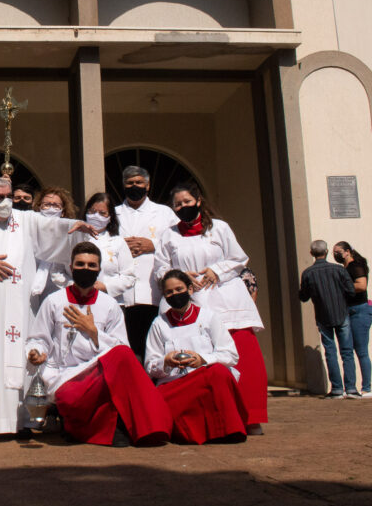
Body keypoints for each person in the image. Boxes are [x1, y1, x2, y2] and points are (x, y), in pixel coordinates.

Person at [0, 175, 97, 437]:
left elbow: (52, 228)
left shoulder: (26, 220)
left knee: (17, 353)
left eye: (9, 196)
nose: (6, 201)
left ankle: (19, 420)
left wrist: (74, 226)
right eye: (0, 197)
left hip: (19, 306)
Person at [27, 242, 172, 447]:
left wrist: (94, 333)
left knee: (124, 357)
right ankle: (99, 427)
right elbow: (38, 338)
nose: (85, 269)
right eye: (80, 264)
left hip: (98, 371)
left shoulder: (109, 304)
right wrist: (37, 352)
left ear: (99, 269)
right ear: (71, 267)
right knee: (69, 398)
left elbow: (122, 350)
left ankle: (145, 427)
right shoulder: (54, 301)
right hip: (66, 375)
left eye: (91, 265)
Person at [153, 182, 268, 434]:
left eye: (187, 202)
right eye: (178, 204)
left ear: (198, 201)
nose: (183, 207)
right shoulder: (168, 235)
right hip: (189, 298)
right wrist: (179, 275)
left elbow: (238, 258)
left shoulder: (220, 228)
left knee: (243, 356)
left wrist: (216, 270)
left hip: (225, 296)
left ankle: (251, 416)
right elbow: (160, 268)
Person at [145, 270, 248, 444]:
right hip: (176, 384)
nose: (175, 295)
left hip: (204, 377)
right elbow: (150, 366)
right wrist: (166, 362)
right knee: (156, 400)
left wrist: (203, 359)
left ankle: (227, 430)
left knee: (219, 373)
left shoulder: (209, 317)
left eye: (179, 289)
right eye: (169, 292)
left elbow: (230, 355)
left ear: (190, 289)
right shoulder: (159, 323)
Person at [113, 166, 178, 363]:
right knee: (126, 349)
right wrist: (120, 245)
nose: (135, 186)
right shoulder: (114, 213)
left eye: (139, 182)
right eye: (130, 183)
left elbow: (177, 242)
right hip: (122, 294)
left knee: (152, 347)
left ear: (147, 185)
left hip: (151, 292)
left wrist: (153, 244)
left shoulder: (164, 213)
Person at [300, 240, 359, 399]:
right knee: (347, 352)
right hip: (341, 312)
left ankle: (337, 389)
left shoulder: (308, 273)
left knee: (330, 352)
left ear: (312, 253)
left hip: (323, 315)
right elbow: (351, 291)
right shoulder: (339, 270)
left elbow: (303, 296)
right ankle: (351, 388)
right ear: (326, 252)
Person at [80, 193, 136, 350]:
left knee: (110, 346)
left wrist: (105, 286)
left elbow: (129, 276)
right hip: (79, 301)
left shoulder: (118, 242)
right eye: (92, 211)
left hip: (111, 302)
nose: (96, 216)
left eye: (102, 213)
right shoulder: (76, 238)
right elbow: (61, 270)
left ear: (110, 217)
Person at [334, 241, 372, 398]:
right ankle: (350, 387)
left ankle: (367, 388)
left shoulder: (355, 266)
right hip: (348, 310)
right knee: (347, 350)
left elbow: (362, 285)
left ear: (347, 251)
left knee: (361, 350)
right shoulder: (344, 268)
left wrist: (342, 287)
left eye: (338, 252)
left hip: (359, 310)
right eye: (334, 252)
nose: (336, 255)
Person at [30, 186, 78, 312]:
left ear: (63, 211)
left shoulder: (70, 234)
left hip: (60, 288)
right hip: (32, 289)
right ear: (39, 207)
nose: (51, 208)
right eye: (46, 205)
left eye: (56, 205)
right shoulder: (30, 231)